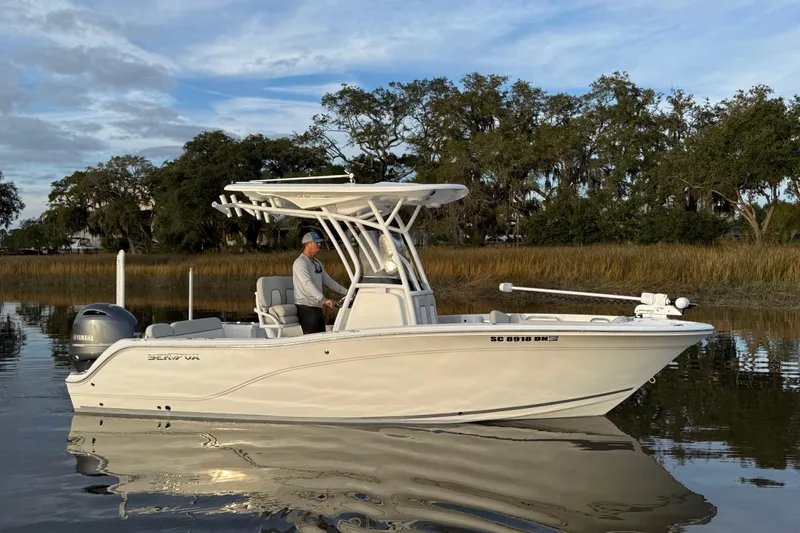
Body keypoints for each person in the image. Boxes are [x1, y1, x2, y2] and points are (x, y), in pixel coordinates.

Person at [292, 231, 348, 334]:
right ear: (307, 244)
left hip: (317, 307)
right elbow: (307, 284)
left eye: (320, 242)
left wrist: (346, 292)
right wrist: (324, 299)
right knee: (312, 339)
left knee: (321, 336)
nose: (319, 245)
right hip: (306, 308)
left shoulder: (317, 263)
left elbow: (328, 280)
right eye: (316, 242)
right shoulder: (300, 263)